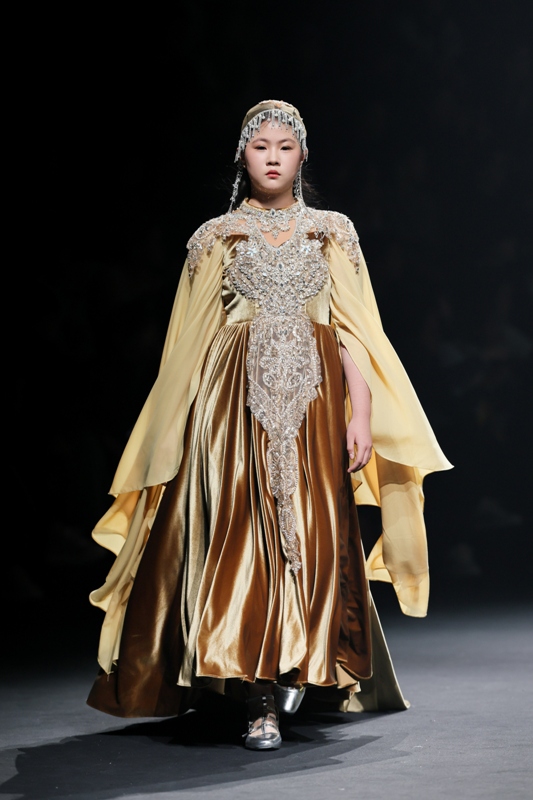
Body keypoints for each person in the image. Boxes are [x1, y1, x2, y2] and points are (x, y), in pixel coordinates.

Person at [87, 99, 452, 750]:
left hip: (315, 405)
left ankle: (296, 666)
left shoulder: (332, 232)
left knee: (311, 536)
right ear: (242, 157)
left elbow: (354, 332)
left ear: (302, 156)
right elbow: (188, 343)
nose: (274, 157)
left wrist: (361, 411)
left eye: (285, 146)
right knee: (241, 541)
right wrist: (182, 428)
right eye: (261, 147)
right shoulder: (215, 237)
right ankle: (257, 696)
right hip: (231, 409)